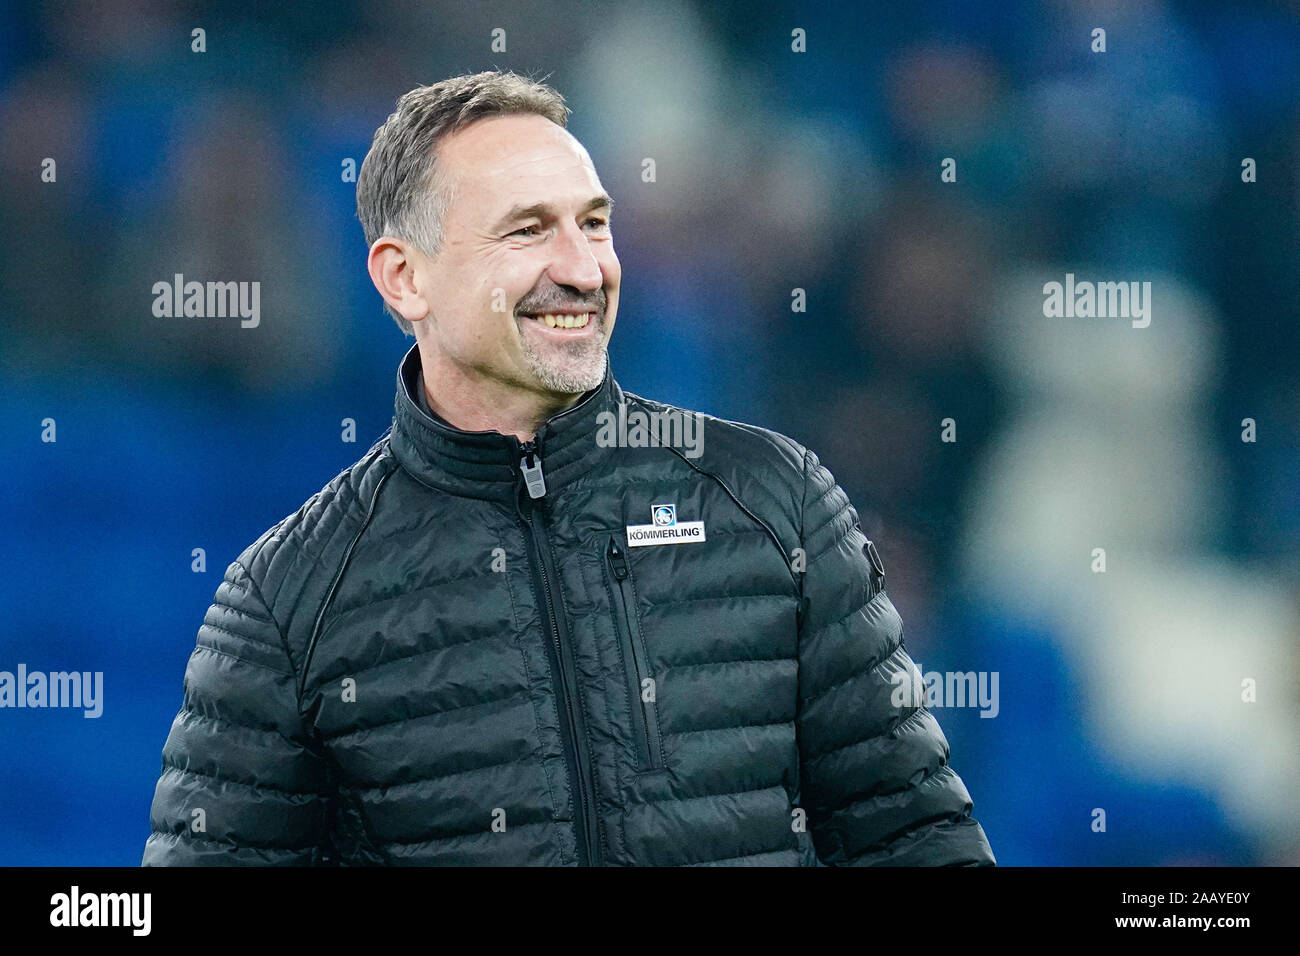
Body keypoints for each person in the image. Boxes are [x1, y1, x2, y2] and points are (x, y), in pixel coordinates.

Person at [141, 70, 995, 866]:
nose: (584, 269)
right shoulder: (286, 600)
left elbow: (917, 839)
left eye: (593, 223)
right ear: (405, 280)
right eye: (527, 230)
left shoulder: (779, 502)